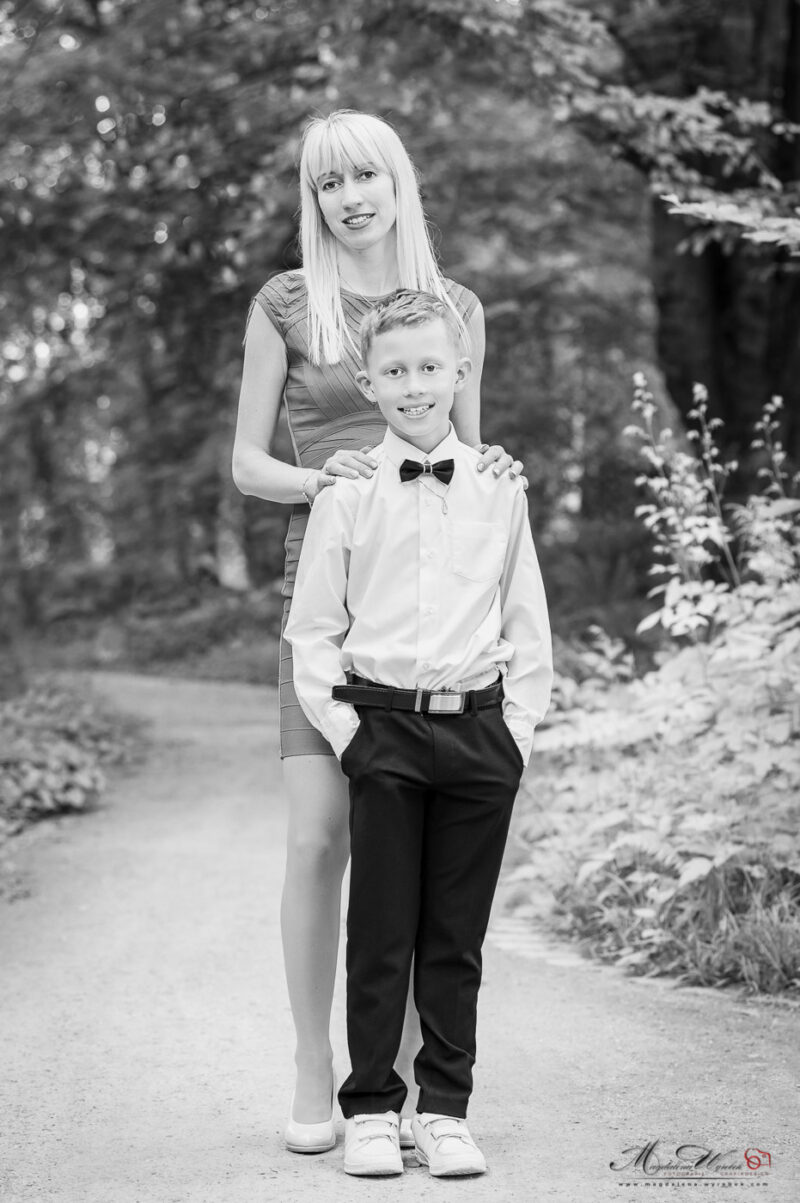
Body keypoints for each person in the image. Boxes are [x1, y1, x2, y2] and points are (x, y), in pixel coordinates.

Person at [232, 109, 522, 1153]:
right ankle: (314, 1065)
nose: (349, 197)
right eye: (327, 182)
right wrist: (323, 478)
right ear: (312, 200)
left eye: (365, 175)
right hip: (324, 596)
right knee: (320, 836)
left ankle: (393, 1087)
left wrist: (497, 471)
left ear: (397, 182)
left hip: (429, 612)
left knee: (415, 856)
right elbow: (247, 464)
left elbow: (468, 460)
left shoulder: (457, 309)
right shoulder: (286, 305)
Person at [285, 289, 553, 1177]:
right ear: (368, 382)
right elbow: (312, 630)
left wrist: (515, 735)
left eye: (430, 367)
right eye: (394, 371)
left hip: (479, 735)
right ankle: (369, 1106)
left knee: (455, 939)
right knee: (380, 933)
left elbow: (527, 621)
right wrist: (350, 736)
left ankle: (444, 1109)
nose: (414, 385)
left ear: (460, 372)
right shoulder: (349, 493)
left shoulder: (500, 488)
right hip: (384, 733)